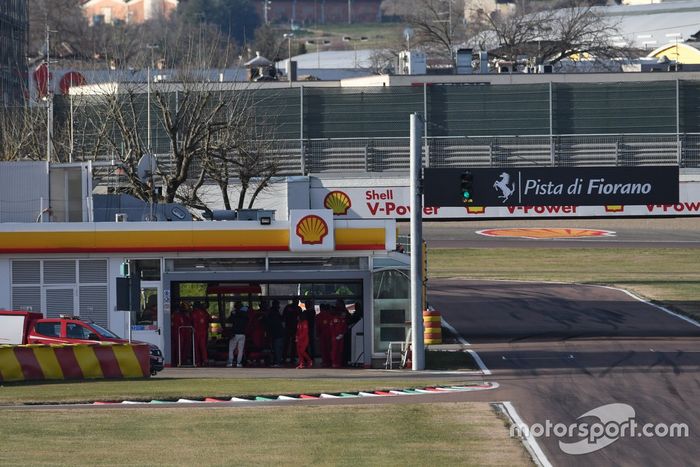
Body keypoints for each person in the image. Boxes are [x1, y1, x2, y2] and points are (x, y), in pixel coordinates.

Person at [227, 302, 249, 368]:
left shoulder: (234, 313)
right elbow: (247, 320)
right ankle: (239, 363)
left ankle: (230, 362)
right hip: (242, 333)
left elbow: (229, 320)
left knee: (231, 349)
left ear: (235, 307)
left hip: (235, 333)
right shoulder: (245, 313)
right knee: (240, 349)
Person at [266, 300, 285, 367]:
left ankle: (277, 361)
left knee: (277, 348)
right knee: (277, 348)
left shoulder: (272, 313)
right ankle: (277, 361)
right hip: (277, 333)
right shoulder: (274, 313)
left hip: (275, 334)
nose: (279, 306)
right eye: (278, 305)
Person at [330, 300, 348, 368]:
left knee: (340, 350)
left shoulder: (343, 320)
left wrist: (342, 334)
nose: (344, 315)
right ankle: (334, 363)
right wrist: (335, 336)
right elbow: (332, 328)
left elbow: (345, 328)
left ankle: (339, 363)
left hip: (341, 337)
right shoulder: (335, 319)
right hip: (335, 337)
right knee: (334, 350)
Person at [191, 301, 210, 367]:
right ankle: (204, 360)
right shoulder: (205, 313)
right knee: (203, 347)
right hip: (203, 332)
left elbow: (190, 321)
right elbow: (210, 320)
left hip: (196, 332)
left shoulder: (193, 313)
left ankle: (198, 361)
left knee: (197, 347)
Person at [282, 298, 301, 362]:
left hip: (291, 328)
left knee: (289, 343)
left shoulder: (289, 307)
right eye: (297, 301)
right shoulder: (297, 308)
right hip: (292, 328)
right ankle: (289, 358)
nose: (297, 302)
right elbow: (300, 318)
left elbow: (283, 317)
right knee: (291, 343)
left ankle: (286, 357)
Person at [316, 303, 333, 368]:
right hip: (330, 334)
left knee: (323, 349)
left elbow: (318, 327)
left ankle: (325, 361)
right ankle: (330, 361)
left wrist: (317, 334)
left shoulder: (318, 316)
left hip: (322, 334)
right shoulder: (330, 316)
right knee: (330, 348)